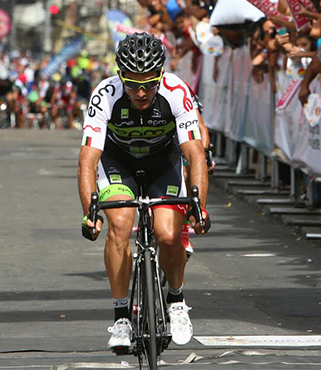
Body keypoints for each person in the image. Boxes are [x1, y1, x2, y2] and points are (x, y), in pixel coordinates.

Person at [77, 32, 210, 351]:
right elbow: (87, 160)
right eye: (133, 83)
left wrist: (199, 205)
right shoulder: (105, 94)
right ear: (120, 76)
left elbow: (195, 154)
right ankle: (122, 316)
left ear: (160, 76)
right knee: (120, 227)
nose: (140, 92)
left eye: (149, 84)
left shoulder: (177, 92)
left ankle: (176, 300)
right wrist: (89, 213)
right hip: (117, 162)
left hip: (163, 163)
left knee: (167, 234)